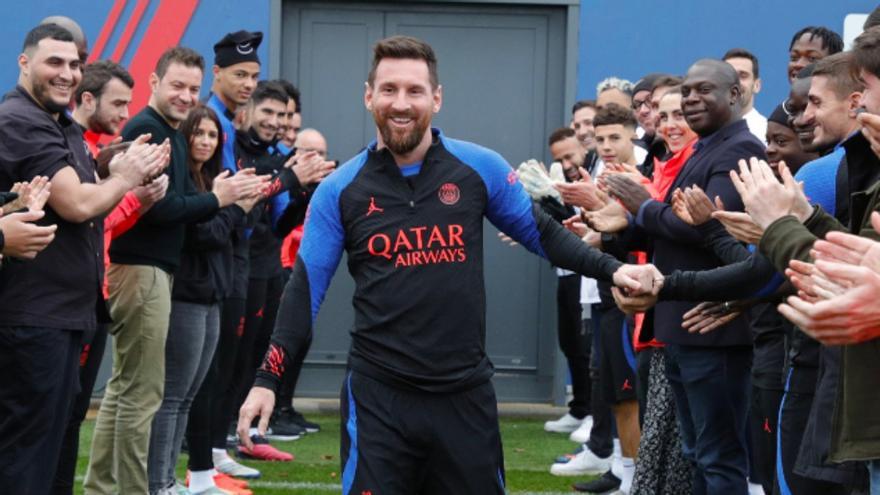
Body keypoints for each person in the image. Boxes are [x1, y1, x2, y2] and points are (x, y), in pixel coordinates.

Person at [237, 35, 662, 494]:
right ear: (368, 96)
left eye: (415, 91)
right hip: (379, 400)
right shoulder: (340, 190)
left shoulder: (478, 167)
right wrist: (268, 380)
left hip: (464, 397)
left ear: (436, 98)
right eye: (389, 89)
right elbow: (303, 290)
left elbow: (546, 236)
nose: (401, 103)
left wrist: (614, 270)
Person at [84, 46, 261, 495]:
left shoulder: (168, 130)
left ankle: (107, 487)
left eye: (193, 89)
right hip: (140, 271)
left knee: (130, 391)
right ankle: (132, 488)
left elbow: (171, 205)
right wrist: (221, 199)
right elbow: (163, 209)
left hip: (151, 271)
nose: (185, 96)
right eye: (177, 86)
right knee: (141, 395)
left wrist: (217, 198)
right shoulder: (148, 127)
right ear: (154, 82)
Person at [0, 23, 166, 495]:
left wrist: (116, 162)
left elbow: (89, 180)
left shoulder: (60, 122)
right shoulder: (19, 120)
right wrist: (127, 176)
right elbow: (77, 203)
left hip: (65, 314)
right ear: (24, 62)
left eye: (75, 64)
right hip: (33, 318)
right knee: (25, 457)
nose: (67, 73)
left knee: (54, 450)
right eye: (55, 62)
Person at [605, 59, 766, 495]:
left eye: (704, 91)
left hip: (714, 326)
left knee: (718, 457)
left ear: (735, 95)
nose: (692, 99)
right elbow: (676, 225)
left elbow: (708, 228)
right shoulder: (705, 148)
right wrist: (615, 226)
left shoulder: (740, 149)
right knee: (698, 453)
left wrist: (642, 206)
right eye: (687, 92)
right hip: (681, 322)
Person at [53, 58, 171, 495]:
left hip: (90, 293)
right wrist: (131, 194)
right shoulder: (68, 147)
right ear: (87, 99)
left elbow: (98, 225)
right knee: (57, 418)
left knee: (72, 415)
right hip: (67, 298)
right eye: (118, 104)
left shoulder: (91, 148)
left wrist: (135, 199)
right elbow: (87, 219)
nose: (125, 114)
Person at [148, 104, 262, 495]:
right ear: (186, 137)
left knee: (190, 393)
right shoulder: (192, 186)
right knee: (174, 393)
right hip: (186, 295)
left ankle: (171, 480)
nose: (206, 141)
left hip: (212, 294)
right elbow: (201, 235)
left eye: (213, 135)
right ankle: (158, 482)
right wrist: (231, 207)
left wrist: (236, 205)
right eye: (199, 133)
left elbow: (225, 231)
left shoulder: (213, 181)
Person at [202, 29, 267, 481]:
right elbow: (220, 192)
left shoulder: (228, 121)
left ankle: (210, 448)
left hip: (233, 248)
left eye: (254, 76)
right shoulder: (212, 120)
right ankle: (202, 456)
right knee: (210, 366)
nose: (248, 83)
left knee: (227, 360)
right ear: (217, 72)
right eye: (240, 74)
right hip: (217, 248)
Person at [542, 127, 593, 436]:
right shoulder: (564, 183)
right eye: (560, 159)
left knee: (588, 347)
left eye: (569, 155)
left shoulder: (592, 176)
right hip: (565, 271)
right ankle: (580, 409)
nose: (567, 163)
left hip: (588, 272)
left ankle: (592, 416)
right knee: (570, 342)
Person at [724, 48, 766, 141]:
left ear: (757, 85)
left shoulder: (765, 134)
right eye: (729, 75)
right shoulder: (706, 131)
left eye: (743, 76)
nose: (735, 82)